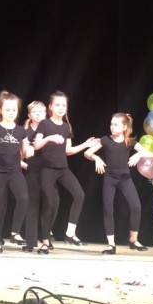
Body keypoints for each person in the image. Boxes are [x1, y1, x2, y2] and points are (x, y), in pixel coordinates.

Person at [35, 91, 97, 254]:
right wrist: (49, 138)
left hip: (62, 168)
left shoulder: (66, 127)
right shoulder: (44, 124)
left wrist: (85, 144)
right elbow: (36, 145)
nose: (61, 108)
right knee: (49, 203)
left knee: (79, 195)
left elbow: (68, 150)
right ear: (50, 107)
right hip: (47, 169)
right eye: (57, 105)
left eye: (64, 105)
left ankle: (70, 233)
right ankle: (45, 242)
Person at [83, 113, 153, 254]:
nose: (112, 127)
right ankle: (111, 244)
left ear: (124, 127)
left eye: (116, 125)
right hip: (110, 178)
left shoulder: (129, 141)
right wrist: (96, 158)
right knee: (108, 209)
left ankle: (133, 240)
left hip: (125, 178)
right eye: (111, 124)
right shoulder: (105, 140)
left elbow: (151, 154)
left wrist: (139, 154)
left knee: (136, 206)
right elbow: (87, 153)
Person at [0, 92, 33, 253]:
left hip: (15, 171)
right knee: (0, 205)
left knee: (24, 198)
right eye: (8, 110)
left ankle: (15, 232)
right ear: (0, 110)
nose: (11, 113)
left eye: (14, 110)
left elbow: (26, 148)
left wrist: (29, 150)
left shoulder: (21, 131)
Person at [17, 101, 47, 249]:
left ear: (46, 113)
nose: (38, 114)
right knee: (32, 206)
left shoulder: (49, 131)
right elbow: (19, 157)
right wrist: (27, 162)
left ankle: (46, 239)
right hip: (32, 171)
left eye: (41, 112)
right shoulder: (26, 133)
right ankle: (30, 242)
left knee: (50, 204)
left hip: (49, 171)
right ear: (29, 115)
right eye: (35, 112)